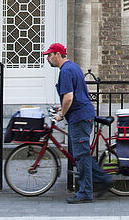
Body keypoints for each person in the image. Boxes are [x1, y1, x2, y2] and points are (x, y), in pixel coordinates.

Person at [44, 42, 114, 204]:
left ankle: (85, 192)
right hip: (81, 115)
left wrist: (61, 114)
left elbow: (69, 97)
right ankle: (103, 179)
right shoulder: (73, 67)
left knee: (81, 156)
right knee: (80, 154)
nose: (48, 59)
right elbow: (74, 94)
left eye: (49, 55)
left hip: (79, 117)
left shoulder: (66, 71)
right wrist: (61, 107)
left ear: (57, 54)